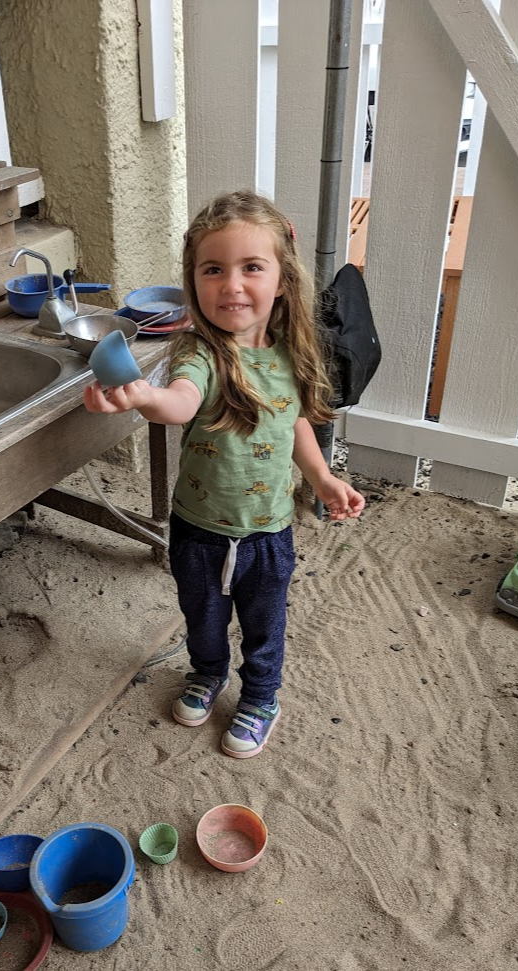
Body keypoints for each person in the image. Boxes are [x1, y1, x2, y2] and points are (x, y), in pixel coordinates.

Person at [84, 190, 364, 758]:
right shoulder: (201, 354)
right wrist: (143, 397)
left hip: (267, 530)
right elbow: (181, 403)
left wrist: (323, 479)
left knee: (264, 625)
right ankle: (207, 673)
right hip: (198, 528)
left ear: (281, 280)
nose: (231, 285)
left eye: (251, 268)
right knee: (202, 614)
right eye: (213, 269)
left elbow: (295, 427)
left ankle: (261, 696)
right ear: (194, 282)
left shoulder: (291, 354)